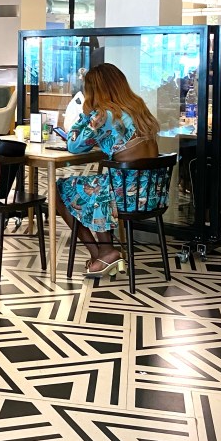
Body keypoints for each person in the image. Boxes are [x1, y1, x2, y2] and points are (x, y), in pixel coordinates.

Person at [55, 63, 160, 279]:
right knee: (99, 181)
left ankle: (102, 254)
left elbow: (74, 145)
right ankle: (104, 254)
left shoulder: (105, 115)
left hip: (126, 196)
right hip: (150, 194)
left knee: (58, 191)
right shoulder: (138, 109)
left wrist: (85, 115)